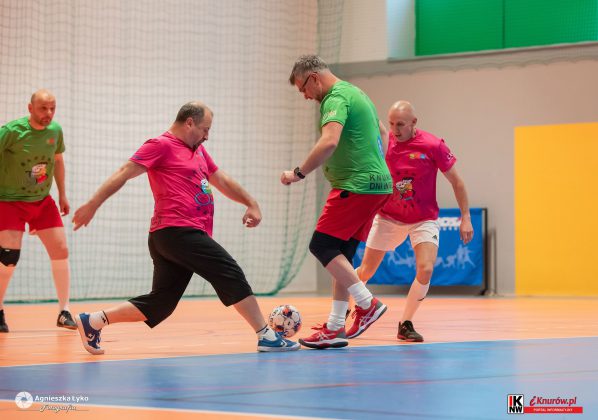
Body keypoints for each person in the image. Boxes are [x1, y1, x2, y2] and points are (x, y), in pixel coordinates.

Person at [72, 101, 299, 354]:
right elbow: (124, 172)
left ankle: (93, 321)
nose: (207, 136)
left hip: (173, 237)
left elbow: (221, 179)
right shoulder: (160, 145)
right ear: (189, 122)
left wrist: (251, 202)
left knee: (161, 303)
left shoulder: (198, 151)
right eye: (205, 129)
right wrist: (93, 204)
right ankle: (265, 335)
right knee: (229, 272)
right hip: (177, 231)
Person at [281, 55, 393, 349]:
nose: (305, 96)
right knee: (341, 255)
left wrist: (298, 173)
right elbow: (383, 133)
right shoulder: (358, 93)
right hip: (377, 185)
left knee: (321, 245)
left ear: (313, 78)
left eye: (303, 89)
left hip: (355, 186)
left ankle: (367, 304)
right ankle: (334, 327)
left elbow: (329, 141)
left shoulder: (336, 97)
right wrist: (376, 165)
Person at [355, 100, 474, 342]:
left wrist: (466, 217)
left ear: (414, 123)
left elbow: (457, 182)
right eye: (391, 124)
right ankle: (344, 308)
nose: (395, 129)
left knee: (426, 268)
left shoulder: (432, 145)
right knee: (366, 270)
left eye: (400, 124)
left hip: (423, 219)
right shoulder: (383, 144)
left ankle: (406, 323)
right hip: (388, 218)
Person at [0, 89, 77, 332]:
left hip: (42, 201)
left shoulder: (55, 131)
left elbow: (58, 161)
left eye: (53, 108)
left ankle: (64, 311)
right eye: (43, 108)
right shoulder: (11, 131)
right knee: (8, 258)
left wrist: (62, 194)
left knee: (61, 250)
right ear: (30, 108)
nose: (49, 113)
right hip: (10, 201)